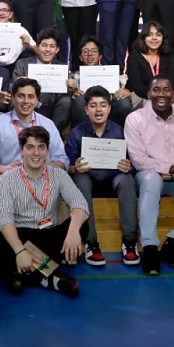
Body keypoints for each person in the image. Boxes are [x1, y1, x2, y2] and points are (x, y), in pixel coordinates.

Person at [0, 126, 89, 297]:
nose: (36, 153)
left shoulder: (59, 174)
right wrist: (20, 250)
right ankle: (49, 275)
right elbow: (4, 219)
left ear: (47, 150)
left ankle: (21, 274)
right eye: (30, 147)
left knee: (82, 224)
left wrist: (74, 231)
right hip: (20, 235)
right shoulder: (6, 179)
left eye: (41, 147)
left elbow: (79, 202)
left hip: (48, 234)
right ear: (22, 150)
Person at [125, 76, 174, 276]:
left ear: (173, 94)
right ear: (149, 94)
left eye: (166, 89)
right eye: (156, 90)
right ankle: (150, 247)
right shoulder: (135, 119)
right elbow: (139, 160)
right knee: (151, 179)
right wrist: (173, 168)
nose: (161, 94)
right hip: (150, 177)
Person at [0, 77, 69, 226]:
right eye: (21, 96)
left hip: (41, 176)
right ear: (13, 98)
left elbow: (63, 160)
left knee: (62, 178)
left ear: (37, 100)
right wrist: (5, 169)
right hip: (8, 177)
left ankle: (61, 235)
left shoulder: (48, 124)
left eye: (31, 97)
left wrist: (43, 168)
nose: (26, 101)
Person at [66, 86, 140, 267]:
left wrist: (128, 166)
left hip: (114, 178)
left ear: (109, 108)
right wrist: (75, 168)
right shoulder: (77, 132)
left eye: (103, 105)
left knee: (127, 179)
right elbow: (68, 165)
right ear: (86, 110)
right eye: (93, 105)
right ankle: (91, 242)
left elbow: (132, 162)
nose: (98, 110)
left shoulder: (120, 131)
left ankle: (129, 241)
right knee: (79, 180)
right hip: (87, 179)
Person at [12, 28, 73, 131]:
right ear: (37, 47)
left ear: (57, 50)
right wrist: (20, 83)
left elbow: (63, 96)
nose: (47, 50)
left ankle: (50, 134)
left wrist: (71, 89)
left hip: (52, 109)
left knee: (66, 101)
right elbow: (12, 89)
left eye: (52, 46)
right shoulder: (22, 64)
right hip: (28, 105)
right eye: (44, 45)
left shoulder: (62, 68)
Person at [68, 35, 133, 127]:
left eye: (94, 51)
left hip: (110, 110)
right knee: (79, 100)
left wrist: (125, 92)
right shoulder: (73, 77)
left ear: (100, 56)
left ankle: (117, 132)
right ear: (80, 57)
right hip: (86, 113)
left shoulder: (111, 73)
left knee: (124, 103)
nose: (90, 54)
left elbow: (125, 91)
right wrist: (72, 91)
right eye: (85, 51)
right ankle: (81, 133)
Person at [125, 21, 174, 110]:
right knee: (151, 106)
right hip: (143, 95)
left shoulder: (168, 55)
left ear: (163, 38)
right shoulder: (135, 55)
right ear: (143, 37)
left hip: (166, 96)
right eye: (149, 35)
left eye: (158, 35)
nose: (154, 38)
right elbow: (136, 84)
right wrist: (156, 95)